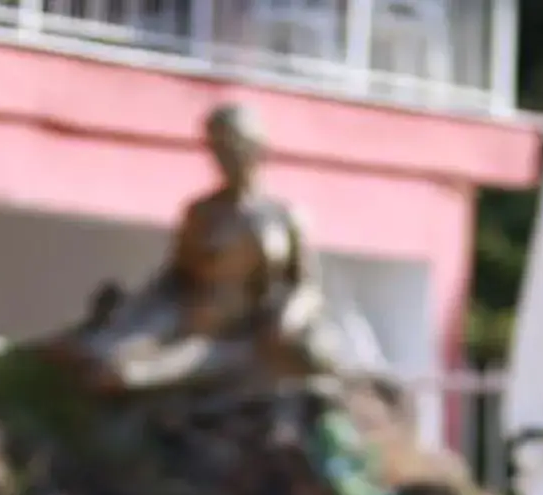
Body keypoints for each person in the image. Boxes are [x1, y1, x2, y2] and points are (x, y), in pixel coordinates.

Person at [61, 104, 341, 396]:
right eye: (217, 146)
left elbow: (307, 287)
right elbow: (175, 277)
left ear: (257, 147)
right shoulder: (202, 212)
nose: (225, 155)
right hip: (183, 315)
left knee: (128, 374)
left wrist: (287, 319)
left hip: (238, 333)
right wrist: (132, 311)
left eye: (233, 144)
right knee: (98, 353)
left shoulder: (284, 217)